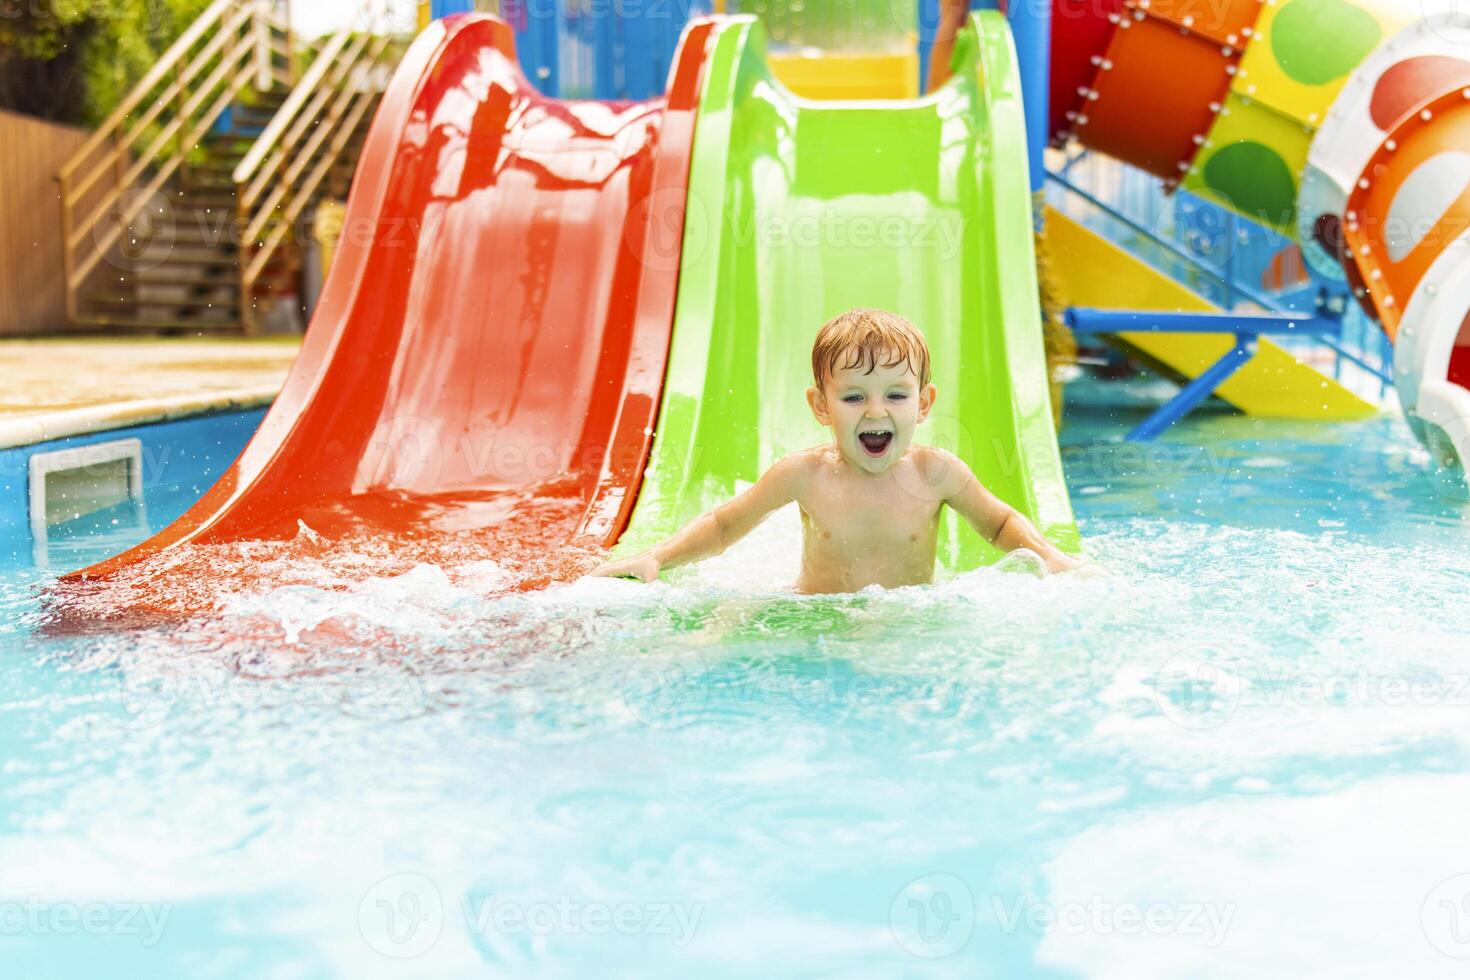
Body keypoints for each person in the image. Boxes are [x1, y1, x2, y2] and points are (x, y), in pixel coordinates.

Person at [587, 308, 1080, 593]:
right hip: (815, 615)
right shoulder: (803, 475)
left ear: (924, 403)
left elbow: (998, 524)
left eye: (896, 395)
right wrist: (657, 558)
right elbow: (722, 526)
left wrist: (1049, 557)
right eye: (852, 397)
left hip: (906, 620)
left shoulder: (937, 473)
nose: (874, 411)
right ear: (821, 406)